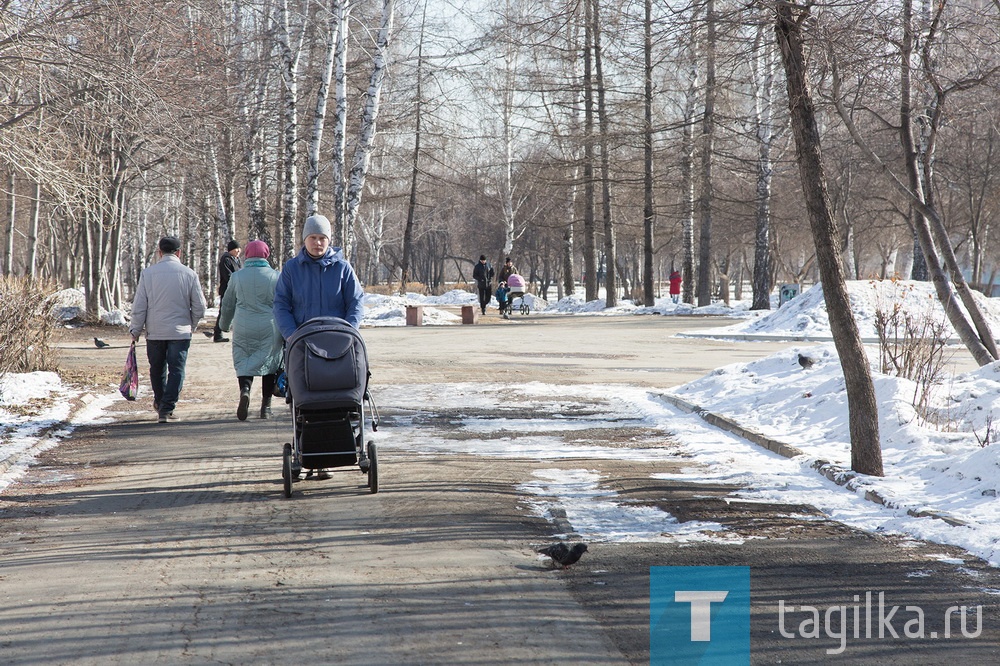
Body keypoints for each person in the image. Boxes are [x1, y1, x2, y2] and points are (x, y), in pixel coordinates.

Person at [129, 236, 207, 423]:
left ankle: (160, 402)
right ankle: (167, 407)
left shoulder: (148, 274)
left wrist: (136, 330)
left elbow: (140, 305)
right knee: (177, 370)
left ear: (159, 252)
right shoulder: (189, 274)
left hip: (155, 332)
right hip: (180, 332)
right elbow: (200, 307)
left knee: (157, 369)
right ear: (179, 252)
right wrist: (191, 324)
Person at [218, 240, 283, 420]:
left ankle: (245, 391)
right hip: (269, 327)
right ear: (266, 255)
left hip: (243, 327)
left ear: (246, 254)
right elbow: (283, 305)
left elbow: (228, 304)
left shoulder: (237, 277)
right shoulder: (276, 277)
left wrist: (223, 325)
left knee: (245, 360)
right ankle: (266, 407)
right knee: (269, 364)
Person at [274, 214, 365, 338]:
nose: (317, 242)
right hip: (302, 341)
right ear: (305, 239)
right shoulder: (291, 268)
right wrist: (291, 335)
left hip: (337, 340)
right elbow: (281, 304)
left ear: (329, 240)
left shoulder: (342, 268)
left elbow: (356, 302)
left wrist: (349, 332)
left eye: (322, 238)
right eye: (313, 237)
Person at [212, 240, 242, 342]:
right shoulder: (226, 260)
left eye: (239, 248)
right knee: (224, 311)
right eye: (236, 249)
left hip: (236, 289)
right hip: (227, 290)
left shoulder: (237, 260)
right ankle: (217, 333)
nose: (238, 251)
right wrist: (236, 283)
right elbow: (228, 276)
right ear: (230, 250)